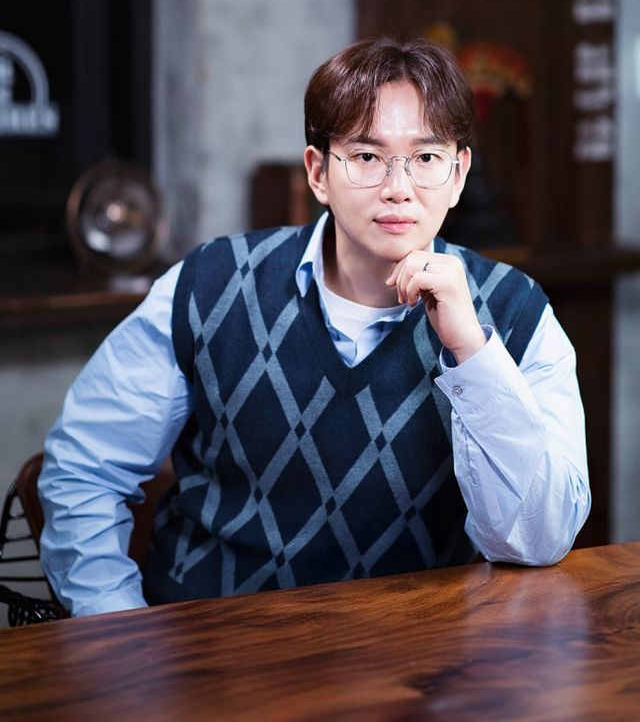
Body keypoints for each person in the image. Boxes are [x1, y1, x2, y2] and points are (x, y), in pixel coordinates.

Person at [39, 37, 591, 617]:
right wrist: (120, 637)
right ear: (318, 172)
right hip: (209, 646)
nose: (398, 187)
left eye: (426, 158)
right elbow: (82, 473)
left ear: (458, 175)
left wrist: (471, 352)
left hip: (416, 655)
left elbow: (539, 540)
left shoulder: (516, 312)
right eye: (367, 156)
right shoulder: (210, 284)